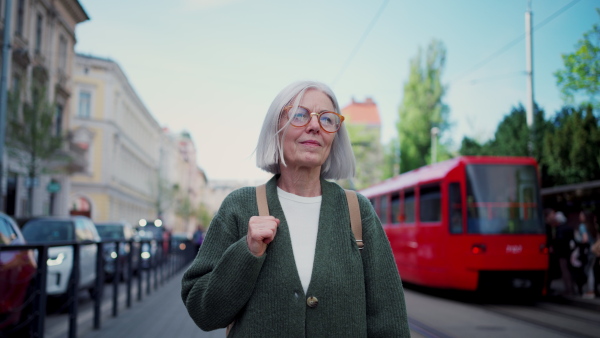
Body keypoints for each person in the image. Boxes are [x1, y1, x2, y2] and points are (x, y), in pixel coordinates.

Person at [181, 80, 410, 336]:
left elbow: (390, 321)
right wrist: (247, 251)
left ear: (335, 134)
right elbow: (203, 312)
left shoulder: (357, 211)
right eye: (299, 115)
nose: (314, 126)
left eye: (327, 119)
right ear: (275, 127)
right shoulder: (239, 206)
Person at [554, 211, 575, 296]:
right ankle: (572, 288)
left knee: (565, 271)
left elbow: (558, 241)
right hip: (570, 253)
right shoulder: (569, 228)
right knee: (570, 271)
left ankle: (568, 289)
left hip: (562, 254)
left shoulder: (559, 229)